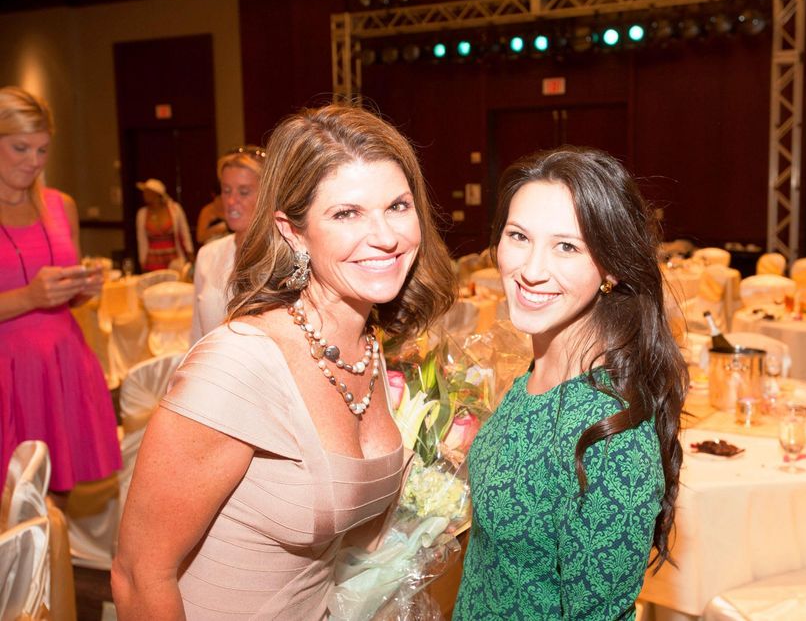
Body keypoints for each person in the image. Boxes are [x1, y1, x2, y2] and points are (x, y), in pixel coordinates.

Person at [112, 104, 456, 619]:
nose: (386, 236)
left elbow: (350, 529)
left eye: (398, 206)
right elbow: (139, 575)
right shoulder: (238, 365)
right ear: (292, 231)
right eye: (346, 213)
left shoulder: (369, 347)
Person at [454, 147, 687, 619]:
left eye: (567, 247)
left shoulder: (610, 438)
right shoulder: (542, 371)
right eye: (519, 236)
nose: (531, 270)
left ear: (611, 267)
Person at [0, 85, 121, 505]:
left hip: (61, 361)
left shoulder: (59, 205)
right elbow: (33, 294)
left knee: (59, 495)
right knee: (13, 504)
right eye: (20, 148)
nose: (33, 162)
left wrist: (81, 290)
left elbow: (64, 298)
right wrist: (30, 297)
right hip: (7, 369)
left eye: (42, 150)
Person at [190, 145, 266, 343]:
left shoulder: (284, 256)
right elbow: (197, 333)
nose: (231, 201)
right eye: (226, 190)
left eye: (243, 192)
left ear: (267, 195)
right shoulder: (208, 255)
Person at [135, 177, 193, 271]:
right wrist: (142, 261)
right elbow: (141, 239)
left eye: (148, 192)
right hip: (152, 261)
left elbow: (184, 232)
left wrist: (190, 252)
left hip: (174, 260)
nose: (144, 195)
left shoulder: (174, 209)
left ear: (157, 194)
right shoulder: (142, 214)